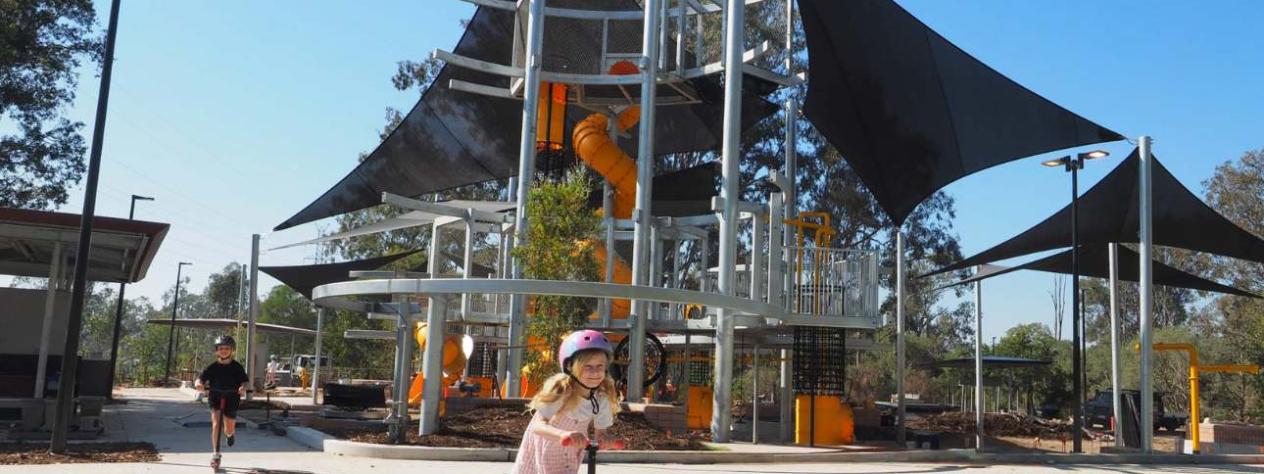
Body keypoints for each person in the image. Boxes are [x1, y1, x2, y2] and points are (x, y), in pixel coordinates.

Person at [511, 330, 621, 474]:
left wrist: (606, 439)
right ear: (571, 367)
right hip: (544, 450)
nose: (595, 372)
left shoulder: (601, 397)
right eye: (587, 367)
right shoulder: (562, 391)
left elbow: (600, 433)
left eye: (600, 366)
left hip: (569, 451)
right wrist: (562, 434)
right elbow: (537, 426)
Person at [195, 335, 248, 470]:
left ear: (231, 350)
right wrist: (199, 384)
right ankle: (216, 455)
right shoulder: (212, 367)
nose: (223, 350)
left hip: (232, 397)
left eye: (226, 348)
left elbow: (244, 381)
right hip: (215, 396)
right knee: (216, 424)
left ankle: (230, 434)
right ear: (216, 350)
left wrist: (243, 388)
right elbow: (200, 379)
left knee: (228, 428)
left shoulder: (237, 367)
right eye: (221, 348)